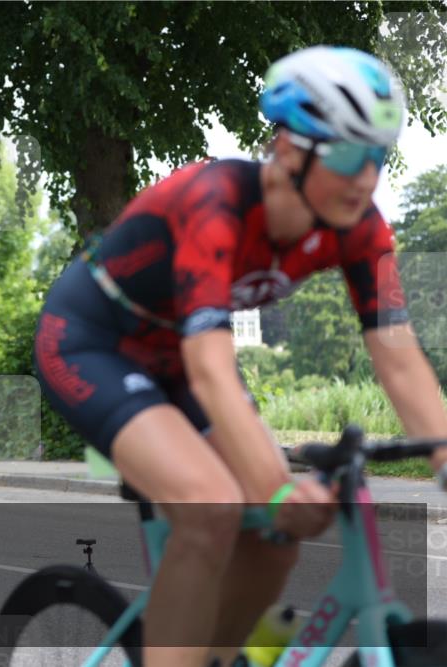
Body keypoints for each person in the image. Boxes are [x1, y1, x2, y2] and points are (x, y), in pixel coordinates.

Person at [33, 46, 447, 667]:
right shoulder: (216, 202)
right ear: (288, 149)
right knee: (213, 508)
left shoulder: (362, 227)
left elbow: (397, 352)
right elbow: (211, 368)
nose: (367, 178)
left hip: (177, 358)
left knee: (276, 540)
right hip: (92, 341)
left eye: (378, 157)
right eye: (348, 155)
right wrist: (275, 490)